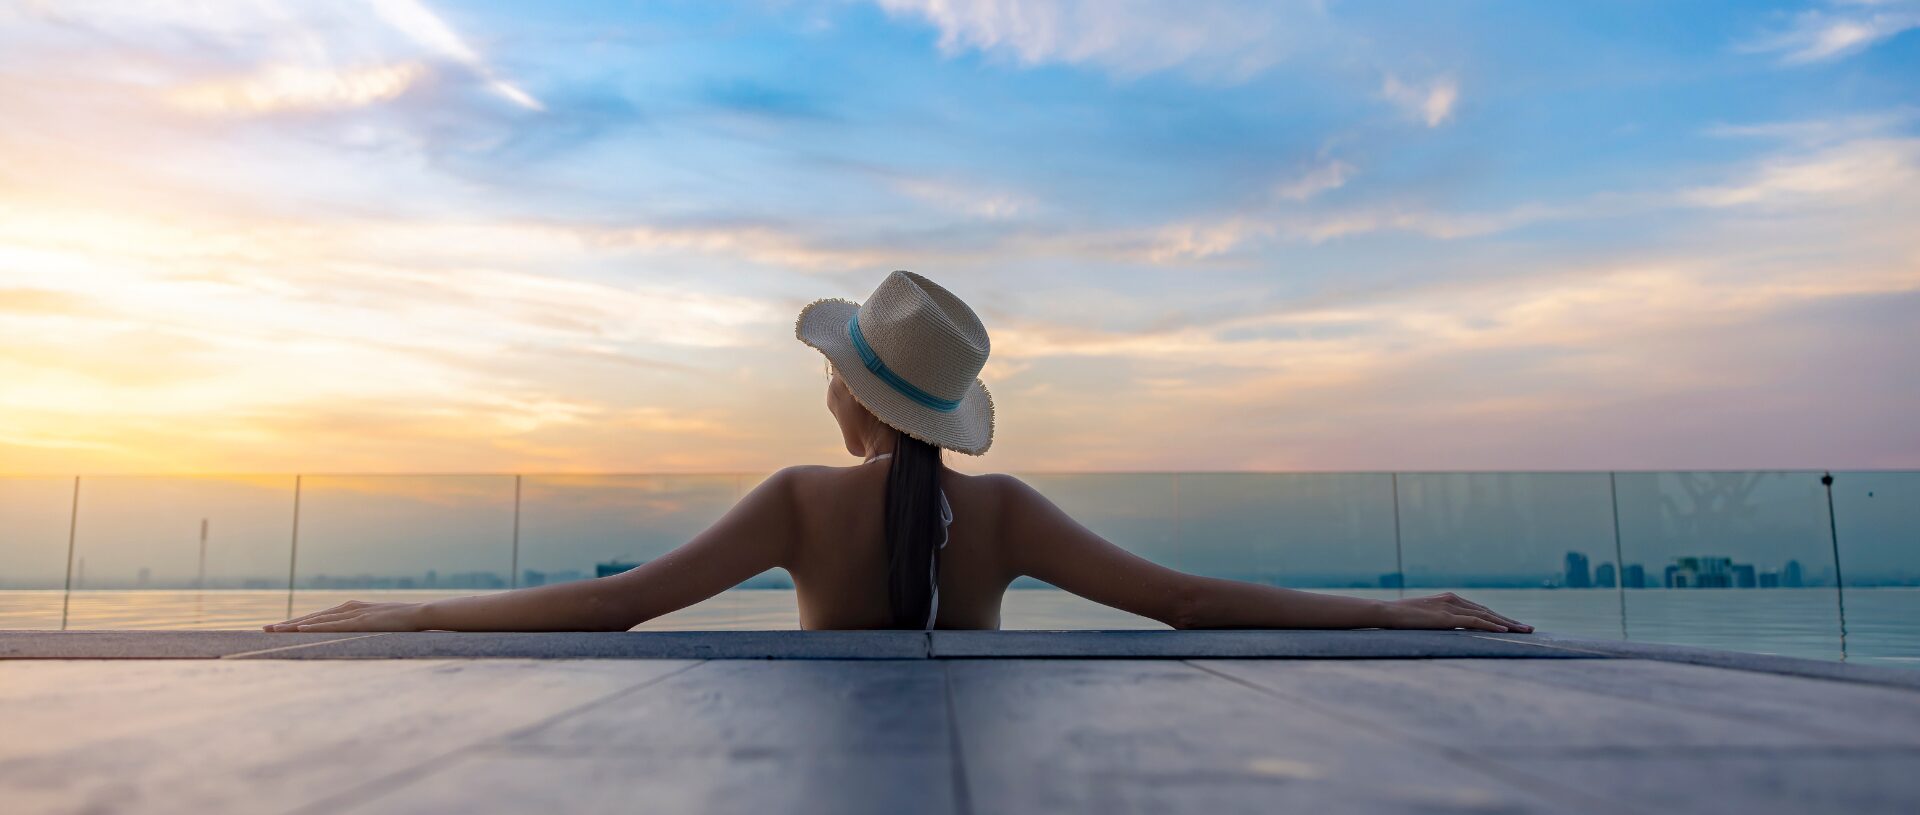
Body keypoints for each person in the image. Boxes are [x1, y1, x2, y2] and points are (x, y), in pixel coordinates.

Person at [266, 271, 1529, 635]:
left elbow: (617, 604)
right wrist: (1396, 609)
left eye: (830, 376)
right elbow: (1187, 601)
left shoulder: (800, 500)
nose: (823, 395)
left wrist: (415, 609)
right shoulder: (1011, 511)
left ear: (856, 397)